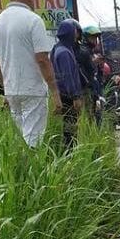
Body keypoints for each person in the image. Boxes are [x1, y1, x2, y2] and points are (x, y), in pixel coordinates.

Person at [0, 0, 61, 148]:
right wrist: (55, 92)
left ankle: (20, 172)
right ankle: (34, 173)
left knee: (20, 139)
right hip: (33, 90)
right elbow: (43, 60)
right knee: (33, 140)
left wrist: (6, 90)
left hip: (12, 91)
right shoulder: (33, 20)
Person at [51, 19, 83, 148]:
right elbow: (68, 76)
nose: (77, 35)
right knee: (70, 129)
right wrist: (75, 97)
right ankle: (70, 154)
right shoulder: (64, 52)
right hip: (68, 97)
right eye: (75, 32)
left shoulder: (57, 48)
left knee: (67, 127)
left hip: (62, 95)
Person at [78, 25, 103, 123]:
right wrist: (93, 62)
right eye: (92, 37)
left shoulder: (91, 52)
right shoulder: (83, 51)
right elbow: (84, 71)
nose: (95, 40)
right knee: (91, 117)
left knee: (97, 114)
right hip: (88, 89)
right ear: (85, 37)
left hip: (95, 87)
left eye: (96, 38)